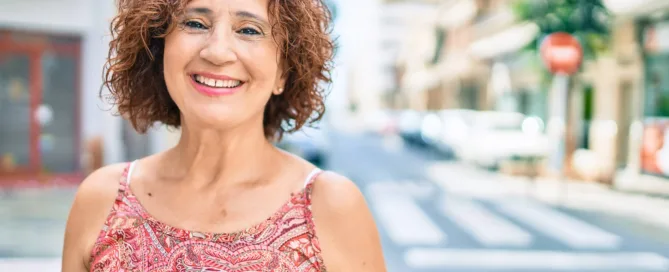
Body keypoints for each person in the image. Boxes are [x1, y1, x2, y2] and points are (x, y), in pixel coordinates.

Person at [62, 0, 386, 271]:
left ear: (283, 72)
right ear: (159, 49)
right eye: (196, 24)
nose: (217, 52)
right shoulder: (101, 199)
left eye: (248, 30)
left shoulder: (330, 206)